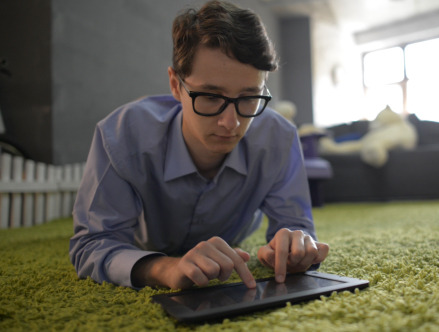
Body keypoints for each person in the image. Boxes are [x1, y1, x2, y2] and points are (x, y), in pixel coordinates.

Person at [69, 0, 329, 290]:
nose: (230, 123)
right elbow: (91, 245)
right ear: (175, 85)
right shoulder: (121, 135)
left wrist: (293, 246)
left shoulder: (279, 138)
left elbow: (296, 225)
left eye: (248, 97)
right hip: (146, 245)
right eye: (210, 96)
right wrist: (163, 268)